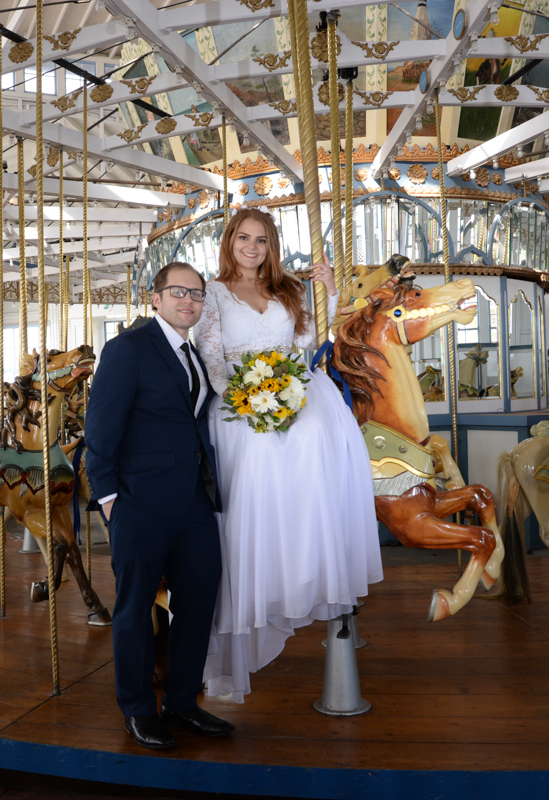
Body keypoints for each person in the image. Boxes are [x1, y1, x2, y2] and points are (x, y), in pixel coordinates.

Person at [196, 208, 382, 703]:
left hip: (286, 386)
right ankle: (253, 590)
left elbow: (306, 345)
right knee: (255, 464)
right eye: (243, 238)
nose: (252, 247)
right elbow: (212, 356)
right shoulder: (212, 294)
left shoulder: (288, 290)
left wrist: (328, 293)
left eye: (261, 239)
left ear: (271, 245)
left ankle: (301, 565)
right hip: (239, 399)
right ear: (229, 241)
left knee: (317, 432)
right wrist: (245, 398)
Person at [84, 262, 234, 750]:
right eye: (178, 292)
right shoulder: (127, 349)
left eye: (196, 293)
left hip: (192, 499)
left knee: (199, 600)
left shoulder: (195, 354)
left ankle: (183, 701)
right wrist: (110, 503)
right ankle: (137, 707)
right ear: (155, 297)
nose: (188, 300)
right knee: (133, 609)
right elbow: (100, 433)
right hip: (139, 502)